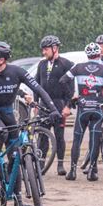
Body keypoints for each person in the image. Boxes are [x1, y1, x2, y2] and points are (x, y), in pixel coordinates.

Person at [0, 41, 61, 206]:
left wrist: (54, 110)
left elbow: (40, 90)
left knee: (15, 157)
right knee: (2, 133)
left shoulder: (16, 72)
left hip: (7, 111)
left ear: (2, 60)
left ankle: (18, 202)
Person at [59, 42, 103, 181]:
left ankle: (72, 171)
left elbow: (63, 80)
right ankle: (92, 171)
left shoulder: (78, 67)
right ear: (98, 54)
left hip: (82, 108)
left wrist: (72, 95)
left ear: (87, 54)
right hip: (97, 108)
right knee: (94, 140)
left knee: (77, 139)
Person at [35, 35, 74, 175]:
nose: (43, 52)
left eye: (46, 49)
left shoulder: (66, 64)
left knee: (59, 136)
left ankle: (60, 164)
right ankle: (41, 164)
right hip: (44, 105)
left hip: (59, 103)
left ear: (55, 48)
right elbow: (37, 85)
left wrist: (68, 105)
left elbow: (71, 88)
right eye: (43, 50)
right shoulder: (42, 64)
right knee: (42, 136)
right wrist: (35, 104)